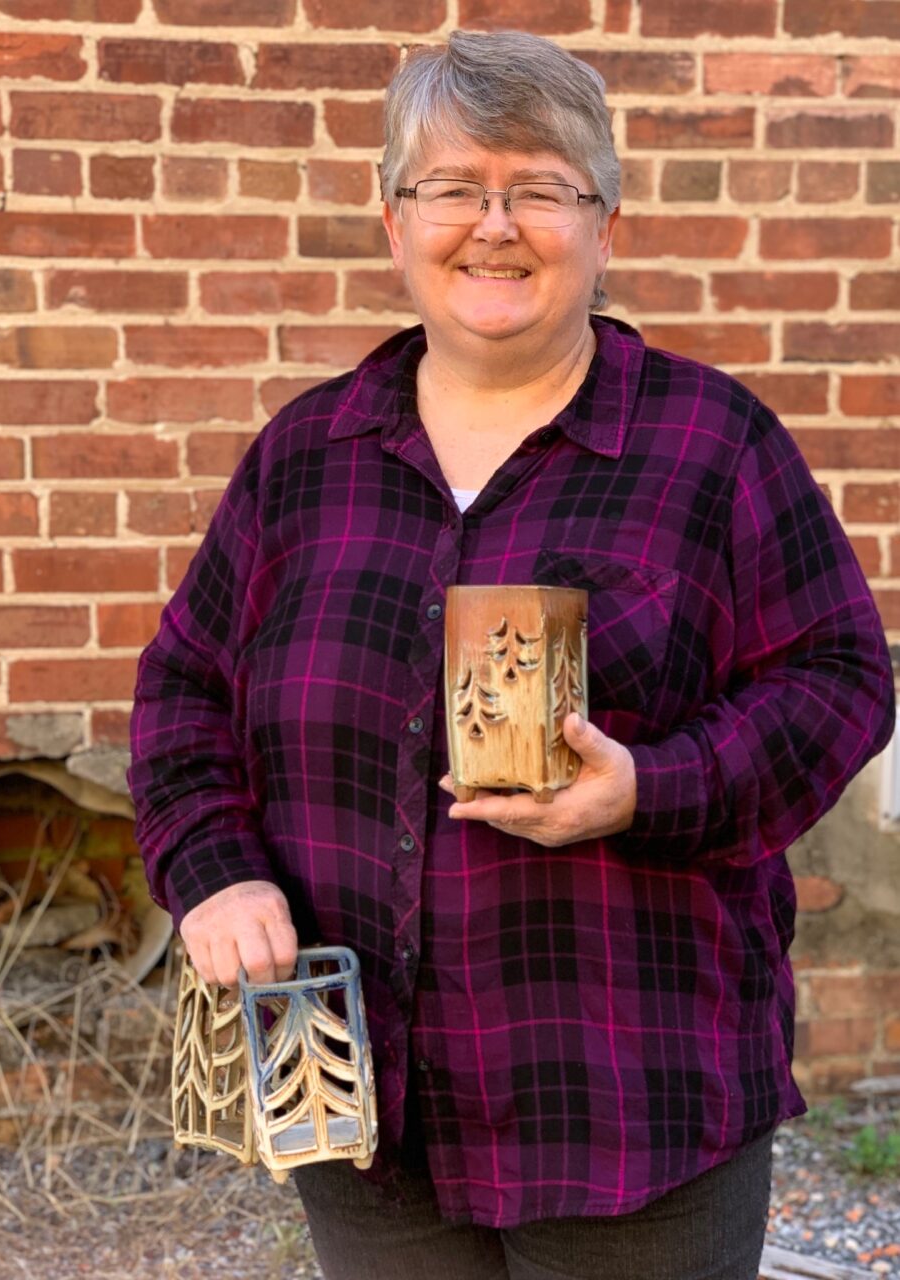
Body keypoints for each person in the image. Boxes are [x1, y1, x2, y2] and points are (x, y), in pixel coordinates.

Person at [128, 30, 895, 1280]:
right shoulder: (306, 456)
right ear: (394, 220)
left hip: (627, 1110)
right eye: (453, 187)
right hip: (361, 1107)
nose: (495, 224)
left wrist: (653, 785)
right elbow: (183, 691)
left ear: (606, 228)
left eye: (542, 187)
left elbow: (843, 678)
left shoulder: (713, 445)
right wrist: (214, 873)